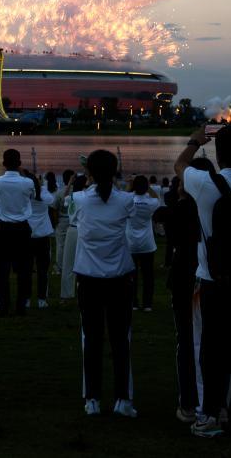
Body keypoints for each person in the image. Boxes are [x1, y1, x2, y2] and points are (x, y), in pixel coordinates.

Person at [174, 125, 231, 439]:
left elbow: (179, 166)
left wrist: (195, 140)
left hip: (212, 279)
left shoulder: (204, 183)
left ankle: (211, 415)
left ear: (216, 153)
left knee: (211, 351)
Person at [74, 149, 139, 419]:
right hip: (120, 279)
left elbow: (77, 220)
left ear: (89, 172)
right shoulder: (126, 201)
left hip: (89, 278)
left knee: (92, 339)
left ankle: (92, 399)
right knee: (120, 340)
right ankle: (122, 398)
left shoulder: (78, 199)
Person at [162, 160, 209, 424]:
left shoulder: (181, 210)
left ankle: (190, 403)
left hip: (185, 279)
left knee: (187, 342)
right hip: (209, 278)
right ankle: (214, 401)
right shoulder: (210, 206)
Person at [0, 149, 35, 316]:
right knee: (24, 271)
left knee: (2, 270)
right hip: (22, 228)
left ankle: (3, 307)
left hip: (3, 228)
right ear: (19, 163)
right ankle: (21, 306)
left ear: (3, 164)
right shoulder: (28, 183)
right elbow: (31, 197)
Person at [126, 175, 160, 311]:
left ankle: (133, 303)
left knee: (131, 276)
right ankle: (147, 304)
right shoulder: (151, 202)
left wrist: (130, 187)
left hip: (131, 244)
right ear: (146, 187)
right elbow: (157, 199)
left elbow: (122, 198)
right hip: (147, 244)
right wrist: (149, 187)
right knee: (148, 276)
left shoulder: (128, 200)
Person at [26, 172, 55, 308]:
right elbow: (52, 201)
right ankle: (41, 299)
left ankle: (26, 298)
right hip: (43, 234)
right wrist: (42, 187)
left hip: (28, 234)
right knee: (42, 269)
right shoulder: (43, 193)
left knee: (26, 269)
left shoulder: (25, 193)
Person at [59, 175, 88, 300]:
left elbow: (63, 198)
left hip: (72, 229)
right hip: (84, 230)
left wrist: (70, 183)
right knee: (86, 264)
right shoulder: (86, 197)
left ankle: (67, 293)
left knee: (68, 264)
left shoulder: (71, 197)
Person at [49, 170, 73, 275]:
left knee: (61, 245)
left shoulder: (60, 192)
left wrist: (55, 222)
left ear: (63, 180)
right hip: (75, 221)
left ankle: (60, 267)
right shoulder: (78, 191)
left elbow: (54, 208)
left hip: (62, 220)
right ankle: (71, 266)